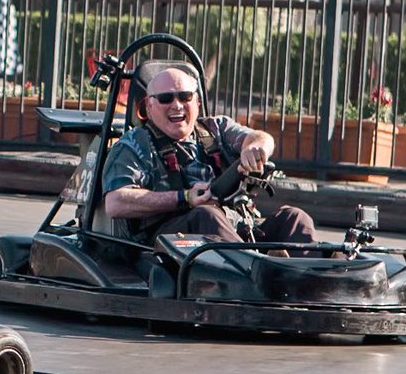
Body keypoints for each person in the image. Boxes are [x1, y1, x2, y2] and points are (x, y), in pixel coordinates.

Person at [101, 65, 315, 247]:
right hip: (170, 243)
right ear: (149, 105)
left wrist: (254, 148)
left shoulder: (216, 128)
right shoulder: (132, 144)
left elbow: (262, 138)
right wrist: (183, 198)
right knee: (206, 215)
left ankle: (313, 279)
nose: (176, 105)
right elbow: (116, 202)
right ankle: (256, 272)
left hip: (232, 229)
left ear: (197, 103)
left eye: (185, 96)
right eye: (166, 98)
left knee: (294, 217)